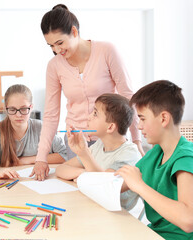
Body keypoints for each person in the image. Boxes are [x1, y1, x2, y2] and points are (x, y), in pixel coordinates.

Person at [33, 4, 144, 181]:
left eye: (60, 43)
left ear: (74, 32)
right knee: (80, 191)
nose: (56, 50)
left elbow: (128, 97)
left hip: (110, 140)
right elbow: (51, 114)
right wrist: (41, 157)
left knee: (108, 188)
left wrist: (137, 140)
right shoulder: (54, 66)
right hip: (77, 142)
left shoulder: (107, 51)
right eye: (51, 45)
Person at [116, 80, 193, 239]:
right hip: (153, 234)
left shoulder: (186, 157)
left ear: (164, 118)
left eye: (142, 119)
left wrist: (139, 185)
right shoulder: (155, 153)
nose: (139, 126)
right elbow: (122, 183)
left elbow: (188, 220)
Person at [56, 93, 140, 210]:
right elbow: (61, 169)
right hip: (95, 206)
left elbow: (102, 186)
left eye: (95, 114)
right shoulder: (99, 145)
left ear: (110, 127)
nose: (89, 117)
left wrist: (84, 155)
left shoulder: (129, 153)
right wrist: (85, 174)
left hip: (118, 215)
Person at [0, 84, 66, 179]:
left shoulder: (41, 128)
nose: (18, 115)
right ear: (6, 109)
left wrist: (26, 160)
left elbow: (64, 155)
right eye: (12, 109)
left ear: (31, 107)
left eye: (23, 109)